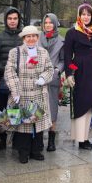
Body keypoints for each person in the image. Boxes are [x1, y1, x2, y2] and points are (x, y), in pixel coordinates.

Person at [4, 26, 54, 163]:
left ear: (37, 38)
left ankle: (36, 150)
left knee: (37, 123)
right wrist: (15, 90)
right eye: (28, 36)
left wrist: (43, 78)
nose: (31, 39)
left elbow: (50, 69)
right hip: (22, 93)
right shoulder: (15, 52)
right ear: (23, 38)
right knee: (23, 125)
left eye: (34, 36)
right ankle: (23, 151)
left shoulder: (43, 52)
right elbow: (9, 72)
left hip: (39, 92)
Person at [64, 2, 92, 150]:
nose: (86, 17)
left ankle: (86, 136)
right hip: (79, 71)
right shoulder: (72, 32)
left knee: (91, 104)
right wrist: (69, 73)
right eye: (83, 14)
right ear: (79, 16)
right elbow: (67, 56)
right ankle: (80, 138)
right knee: (81, 104)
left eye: (88, 14)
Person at [0, 7, 23, 153]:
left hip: (20, 79)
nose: (12, 21)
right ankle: (1, 139)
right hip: (3, 79)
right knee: (2, 111)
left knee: (16, 108)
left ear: (18, 20)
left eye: (15, 18)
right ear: (6, 20)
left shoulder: (23, 36)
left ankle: (15, 138)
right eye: (10, 19)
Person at [39, 13, 64, 151]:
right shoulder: (36, 38)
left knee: (52, 109)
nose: (48, 25)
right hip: (37, 78)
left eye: (51, 23)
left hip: (52, 78)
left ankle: (51, 139)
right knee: (37, 109)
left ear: (55, 24)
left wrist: (57, 70)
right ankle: (37, 139)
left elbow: (63, 60)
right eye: (46, 22)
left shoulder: (61, 40)